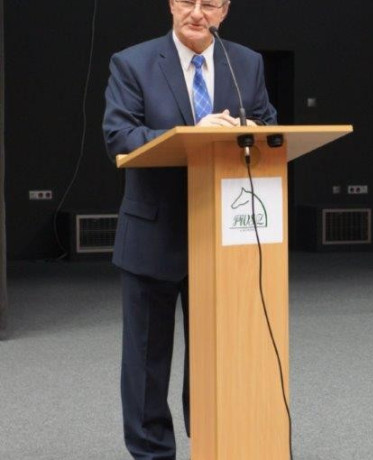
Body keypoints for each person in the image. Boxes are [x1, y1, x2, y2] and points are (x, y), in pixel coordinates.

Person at [103, 0, 277, 458]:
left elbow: (268, 124)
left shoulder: (246, 63)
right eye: (187, 1)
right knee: (146, 363)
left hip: (224, 238)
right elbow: (120, 136)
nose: (197, 13)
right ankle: (151, 453)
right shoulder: (133, 63)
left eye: (210, 4)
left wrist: (248, 128)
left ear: (225, 11)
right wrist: (195, 133)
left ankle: (214, 443)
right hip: (153, 233)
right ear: (171, 4)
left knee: (215, 357)